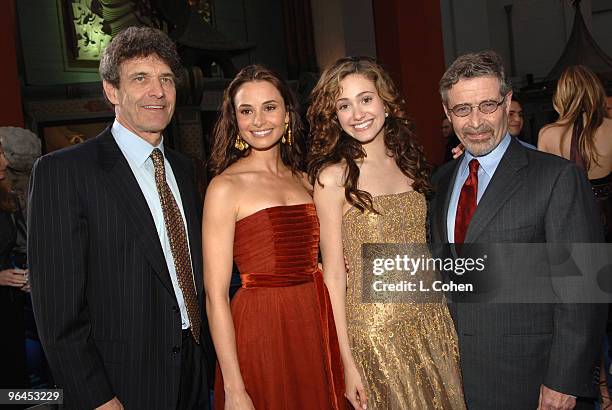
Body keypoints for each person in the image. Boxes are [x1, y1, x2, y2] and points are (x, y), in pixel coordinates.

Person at [28, 26, 213, 409]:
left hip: (195, 371)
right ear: (112, 91)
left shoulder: (184, 168)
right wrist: (96, 398)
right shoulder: (63, 172)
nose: (157, 92)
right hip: (121, 381)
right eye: (140, 78)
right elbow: (57, 312)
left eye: (165, 79)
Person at [430, 50, 607, 409]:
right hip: (455, 377)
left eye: (488, 105)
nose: (476, 121)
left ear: (508, 102)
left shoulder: (556, 177)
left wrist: (564, 379)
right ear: (448, 113)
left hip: (531, 377)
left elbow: (584, 289)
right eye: (462, 109)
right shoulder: (440, 181)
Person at [307, 56, 466, 410]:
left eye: (366, 99)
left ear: (386, 103)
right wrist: (347, 363)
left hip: (432, 320)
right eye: (344, 105)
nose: (357, 113)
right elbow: (333, 275)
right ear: (334, 116)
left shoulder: (409, 163)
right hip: (377, 334)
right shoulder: (332, 177)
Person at [203, 65, 345, 410]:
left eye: (269, 107)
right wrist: (235, 387)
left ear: (287, 115)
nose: (259, 120)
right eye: (246, 110)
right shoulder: (224, 187)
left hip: (314, 319)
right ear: (234, 120)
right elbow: (215, 295)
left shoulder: (307, 180)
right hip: (261, 327)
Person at [538, 65, 612, 241]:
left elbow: (542, 189)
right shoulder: (610, 128)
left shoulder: (548, 134)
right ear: (596, 90)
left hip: (569, 220)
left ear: (562, 95)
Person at [0, 141, 29, 405]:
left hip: (10, 308)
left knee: (15, 387)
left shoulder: (8, 198)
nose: (5, 163)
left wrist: (30, 273)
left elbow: (21, 243)